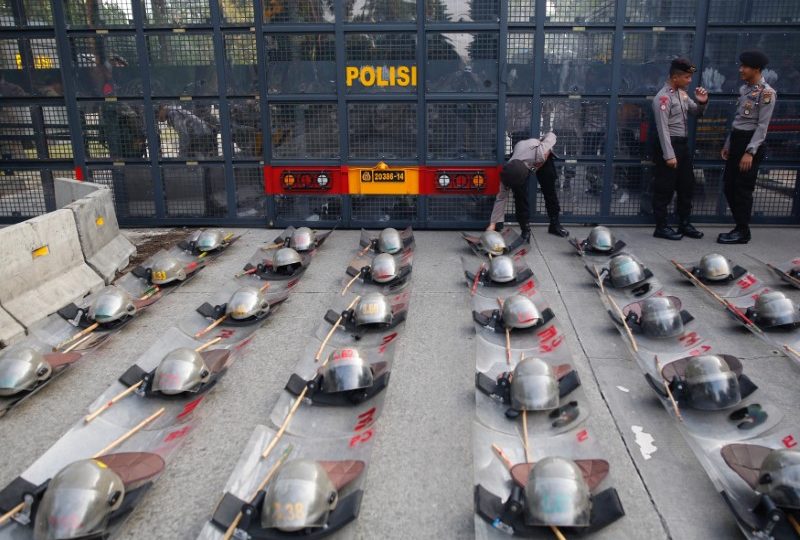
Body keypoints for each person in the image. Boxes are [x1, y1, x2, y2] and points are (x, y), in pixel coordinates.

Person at [718, 50, 776, 245]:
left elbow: (762, 126)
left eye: (745, 66)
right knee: (728, 187)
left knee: (742, 189)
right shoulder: (745, 90)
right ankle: (739, 226)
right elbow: (738, 119)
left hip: (750, 144)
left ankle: (743, 231)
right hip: (737, 140)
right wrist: (729, 143)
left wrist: (749, 152)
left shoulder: (767, 93)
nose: (741, 69)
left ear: (757, 69)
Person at [651, 58, 708, 240]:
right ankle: (661, 226)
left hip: (682, 146)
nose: (690, 81)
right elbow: (662, 129)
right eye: (686, 77)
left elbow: (697, 113)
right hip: (670, 146)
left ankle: (684, 223)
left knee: (686, 186)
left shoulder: (682, 94)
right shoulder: (663, 97)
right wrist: (669, 155)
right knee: (665, 188)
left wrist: (702, 102)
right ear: (675, 77)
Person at [487, 132, 568, 242]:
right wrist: (492, 224)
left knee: (550, 191)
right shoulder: (508, 173)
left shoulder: (540, 152)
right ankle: (525, 230)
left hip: (540, 159)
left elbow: (552, 135)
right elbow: (501, 198)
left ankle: (555, 224)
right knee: (520, 197)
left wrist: (544, 145)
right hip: (521, 157)